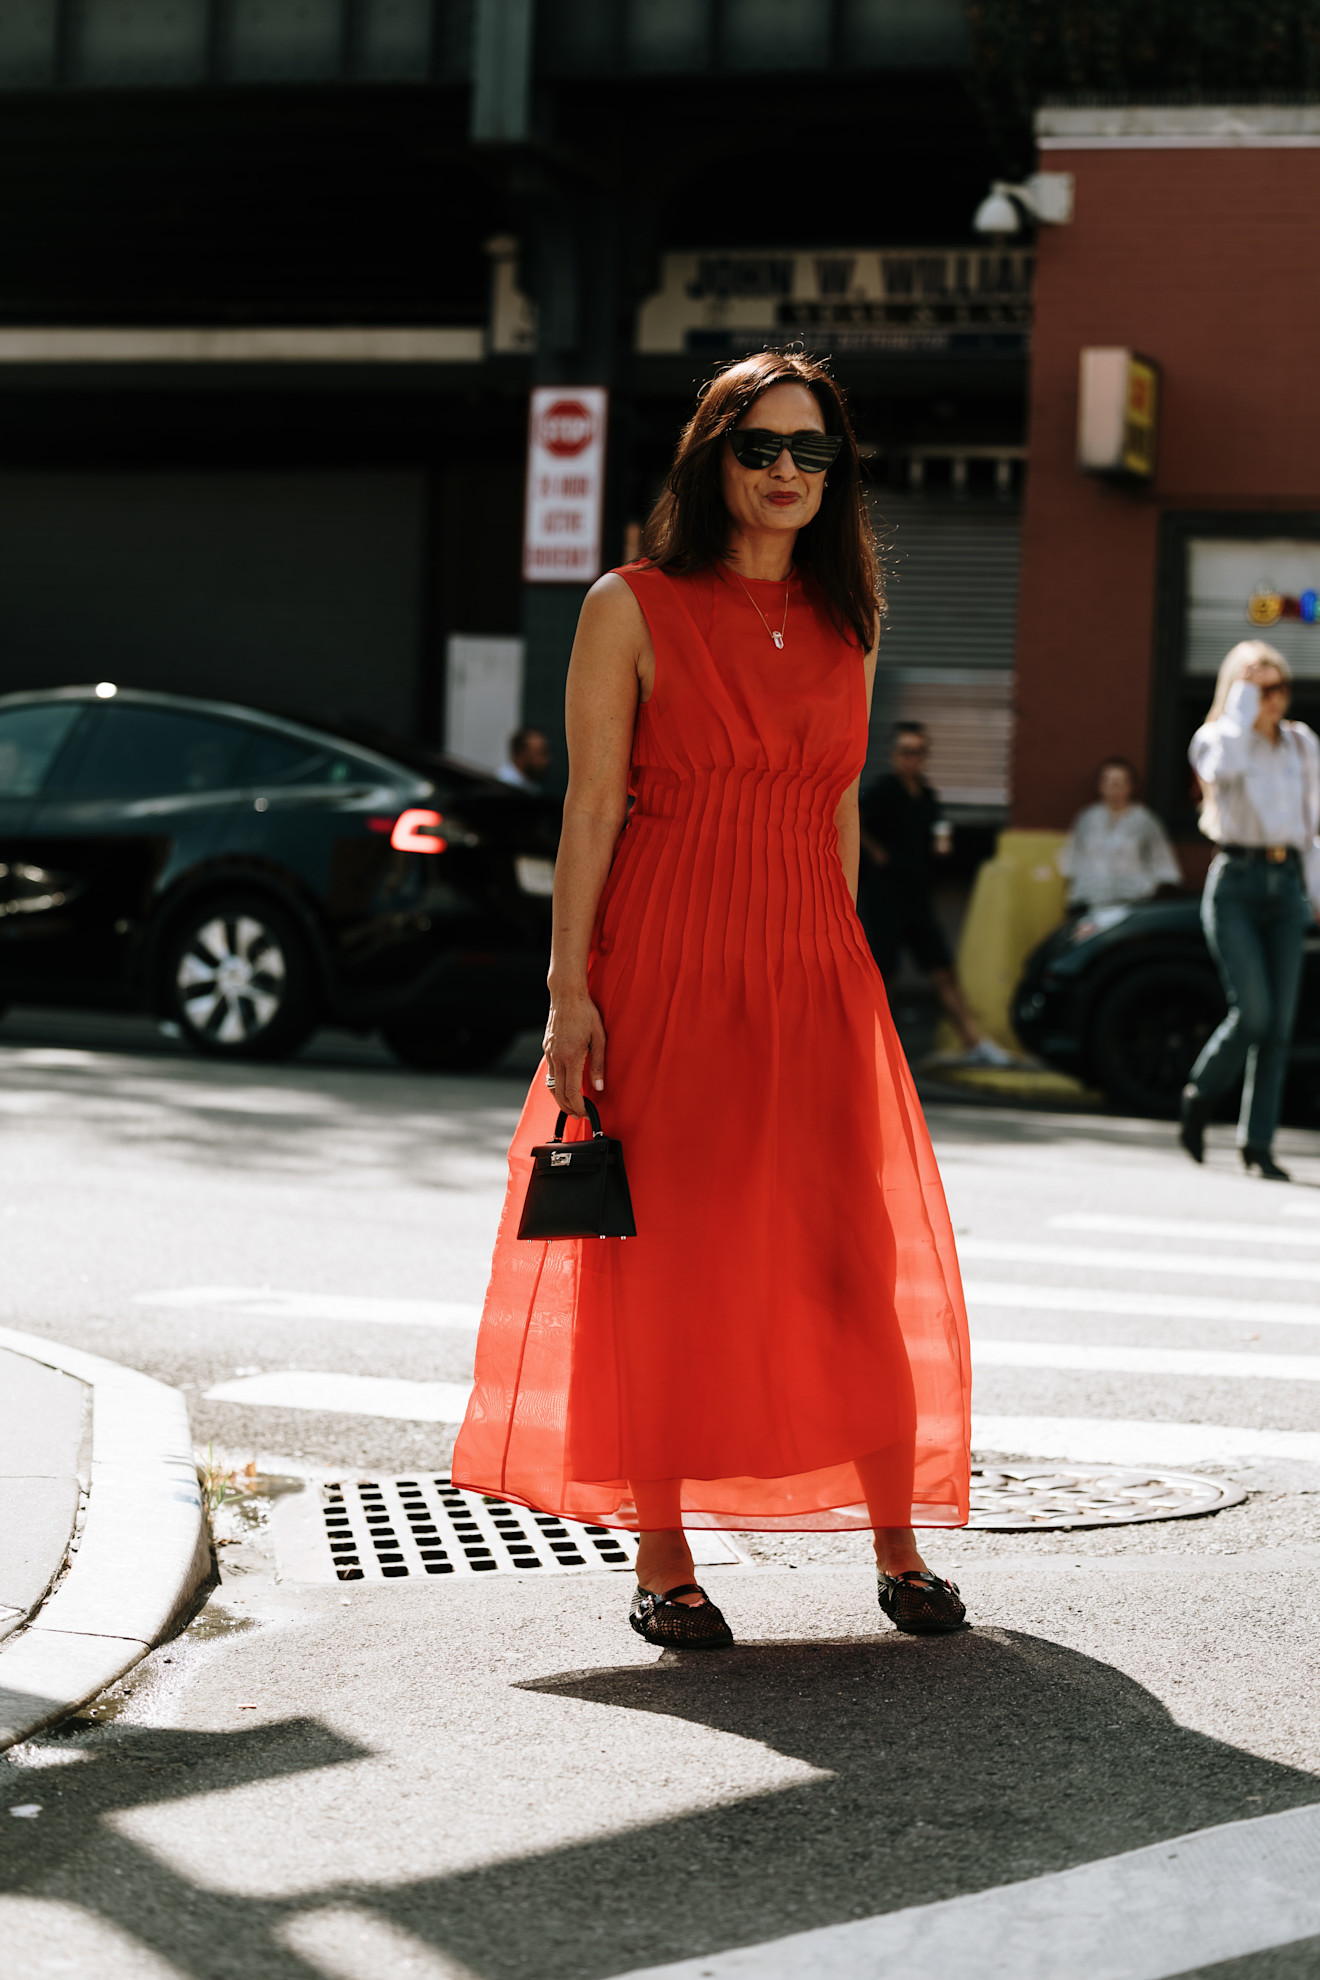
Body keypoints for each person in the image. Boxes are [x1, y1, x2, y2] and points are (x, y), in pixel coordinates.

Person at [452, 350, 972, 1649]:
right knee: (670, 1258)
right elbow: (589, 810)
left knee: (848, 1256)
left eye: (814, 453)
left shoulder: (849, 620)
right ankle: (663, 1554)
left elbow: (838, 806)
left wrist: (843, 968)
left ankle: (897, 1544)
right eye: (763, 448)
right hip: (668, 961)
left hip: (810, 969)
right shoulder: (629, 607)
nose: (789, 472)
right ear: (711, 458)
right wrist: (570, 988)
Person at [1180, 640, 1320, 1180]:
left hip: (1286, 886)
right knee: (1254, 1013)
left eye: (1278, 685)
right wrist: (1239, 711)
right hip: (1235, 883)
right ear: (1237, 693)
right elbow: (1219, 773)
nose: (1272, 699)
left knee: (1280, 1026)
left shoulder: (1303, 744)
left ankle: (1257, 1145)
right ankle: (1200, 1091)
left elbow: (1309, 829)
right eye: (1258, 688)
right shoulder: (1216, 739)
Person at [859, 722, 1012, 1067]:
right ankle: (878, 1046)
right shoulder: (883, 790)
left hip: (918, 895)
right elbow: (854, 817)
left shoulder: (926, 795)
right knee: (885, 974)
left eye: (918, 751)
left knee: (942, 969)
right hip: (885, 895)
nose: (912, 758)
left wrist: (941, 848)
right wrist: (877, 852)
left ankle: (974, 1043)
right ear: (893, 755)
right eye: (905, 751)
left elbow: (939, 833)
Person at [1057, 757, 1181, 912]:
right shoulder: (1087, 818)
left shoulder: (1145, 820)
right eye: (1109, 782)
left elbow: (1162, 859)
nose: (1114, 789)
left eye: (1120, 783)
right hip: (1089, 901)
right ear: (1101, 786)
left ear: (1130, 786)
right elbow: (1072, 856)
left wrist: (1152, 887)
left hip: (1132, 901)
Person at [497, 726, 552, 791]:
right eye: (540, 754)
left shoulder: (532, 786)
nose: (546, 761)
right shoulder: (501, 786)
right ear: (520, 755)